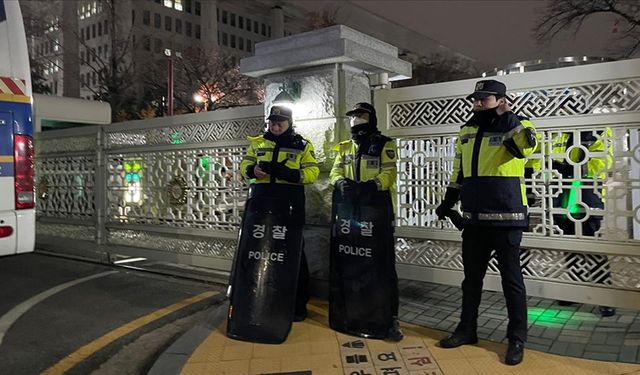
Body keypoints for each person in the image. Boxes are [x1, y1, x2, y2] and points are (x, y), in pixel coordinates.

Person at [435, 80, 537, 366]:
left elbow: (524, 149)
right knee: (471, 281)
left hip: (508, 218)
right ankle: (467, 330)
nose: (478, 103)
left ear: (501, 100)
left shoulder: (520, 124)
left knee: (511, 281)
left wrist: (508, 116)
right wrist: (448, 200)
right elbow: (460, 170)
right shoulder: (467, 130)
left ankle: (517, 339)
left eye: (484, 99)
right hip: (475, 218)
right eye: (475, 99)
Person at [329, 102, 403, 341]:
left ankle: (388, 318)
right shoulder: (344, 147)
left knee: (381, 266)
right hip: (349, 213)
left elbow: (389, 174)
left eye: (361, 115)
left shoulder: (384, 144)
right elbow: (334, 172)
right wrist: (340, 183)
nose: (356, 119)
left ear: (370, 117)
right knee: (350, 262)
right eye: (353, 116)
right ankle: (349, 314)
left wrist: (370, 187)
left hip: (375, 213)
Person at [239, 105, 319, 321]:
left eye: (279, 122)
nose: (274, 126)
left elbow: (312, 173)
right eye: (272, 122)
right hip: (262, 206)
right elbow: (245, 165)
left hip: (289, 207)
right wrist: (251, 170)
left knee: (292, 254)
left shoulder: (302, 145)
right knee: (259, 252)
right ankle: (259, 299)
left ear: (289, 123)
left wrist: (291, 174)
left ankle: (297, 306)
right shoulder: (258, 143)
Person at [550, 128, 615, 317]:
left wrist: (568, 166)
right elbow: (550, 162)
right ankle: (575, 291)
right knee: (571, 249)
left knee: (593, 250)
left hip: (588, 200)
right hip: (563, 200)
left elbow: (599, 165)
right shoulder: (560, 133)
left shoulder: (599, 133)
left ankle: (605, 298)